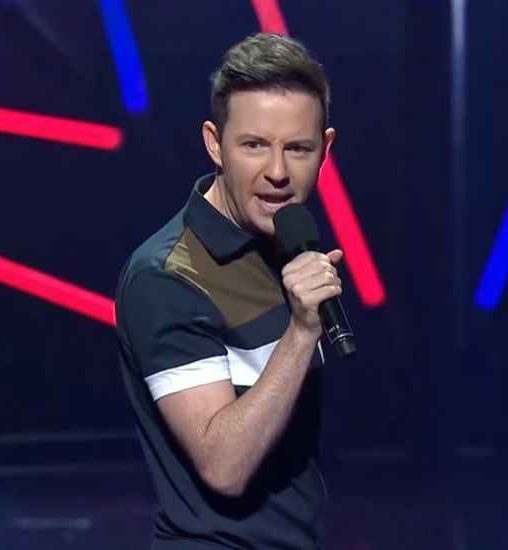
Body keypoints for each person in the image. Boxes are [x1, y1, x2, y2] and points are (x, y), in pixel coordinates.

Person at [114, 32, 341, 550]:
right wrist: (302, 331)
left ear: (325, 150)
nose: (277, 172)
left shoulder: (284, 242)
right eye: (254, 145)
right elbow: (224, 465)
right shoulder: (168, 276)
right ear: (214, 144)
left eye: (298, 148)